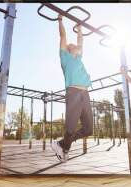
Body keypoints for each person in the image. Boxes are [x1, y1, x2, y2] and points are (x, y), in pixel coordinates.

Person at [51, 15, 93, 162]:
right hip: (74, 92)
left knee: (88, 129)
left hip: (85, 93)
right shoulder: (65, 58)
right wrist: (60, 20)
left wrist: (79, 28)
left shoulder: (78, 58)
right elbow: (63, 36)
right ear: (69, 49)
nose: (76, 46)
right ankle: (64, 147)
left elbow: (80, 41)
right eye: (73, 45)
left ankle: (62, 144)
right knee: (70, 127)